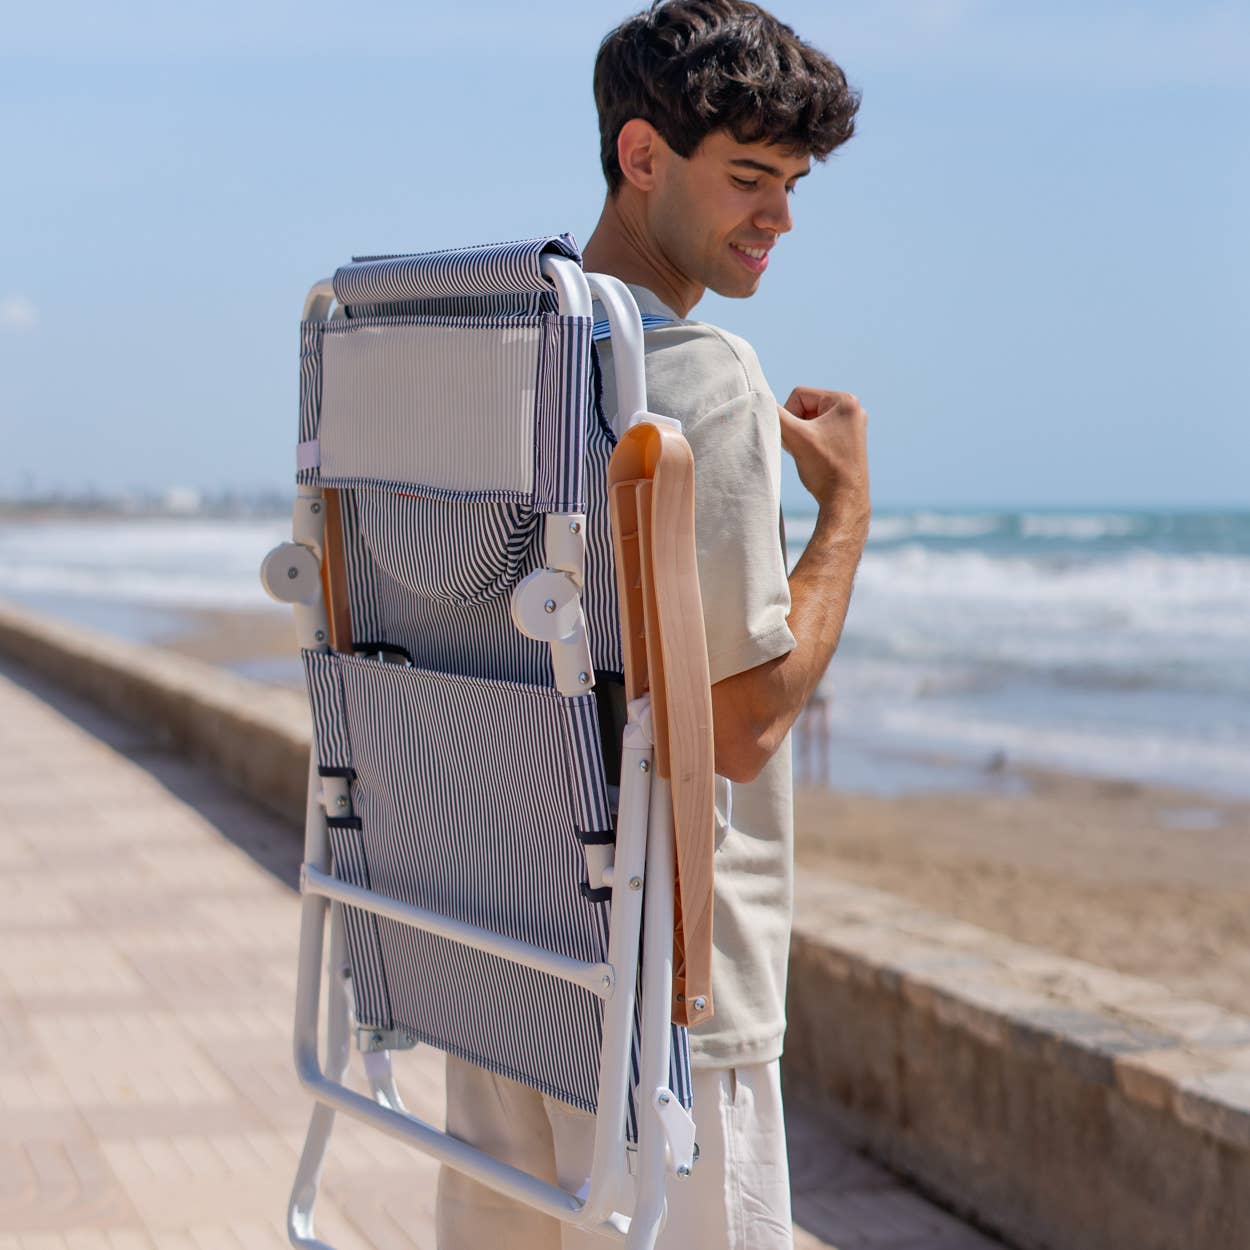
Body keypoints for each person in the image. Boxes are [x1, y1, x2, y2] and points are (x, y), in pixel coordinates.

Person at [436, 3, 869, 1247]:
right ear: (640, 157)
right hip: (665, 996)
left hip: (504, 937)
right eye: (746, 177)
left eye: (788, 183)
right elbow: (743, 727)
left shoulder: (494, 357)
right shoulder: (701, 379)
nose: (777, 217)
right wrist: (843, 513)